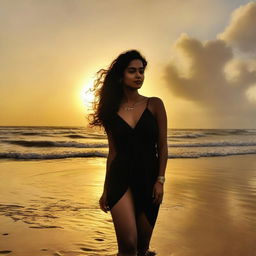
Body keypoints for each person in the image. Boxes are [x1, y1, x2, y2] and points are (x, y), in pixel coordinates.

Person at [87, 49, 168, 256]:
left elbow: (163, 145)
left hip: (148, 179)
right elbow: (112, 152)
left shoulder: (155, 104)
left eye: (141, 71)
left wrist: (160, 180)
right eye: (132, 71)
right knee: (128, 245)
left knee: (141, 247)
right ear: (121, 76)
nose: (138, 75)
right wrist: (105, 189)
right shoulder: (110, 112)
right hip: (120, 178)